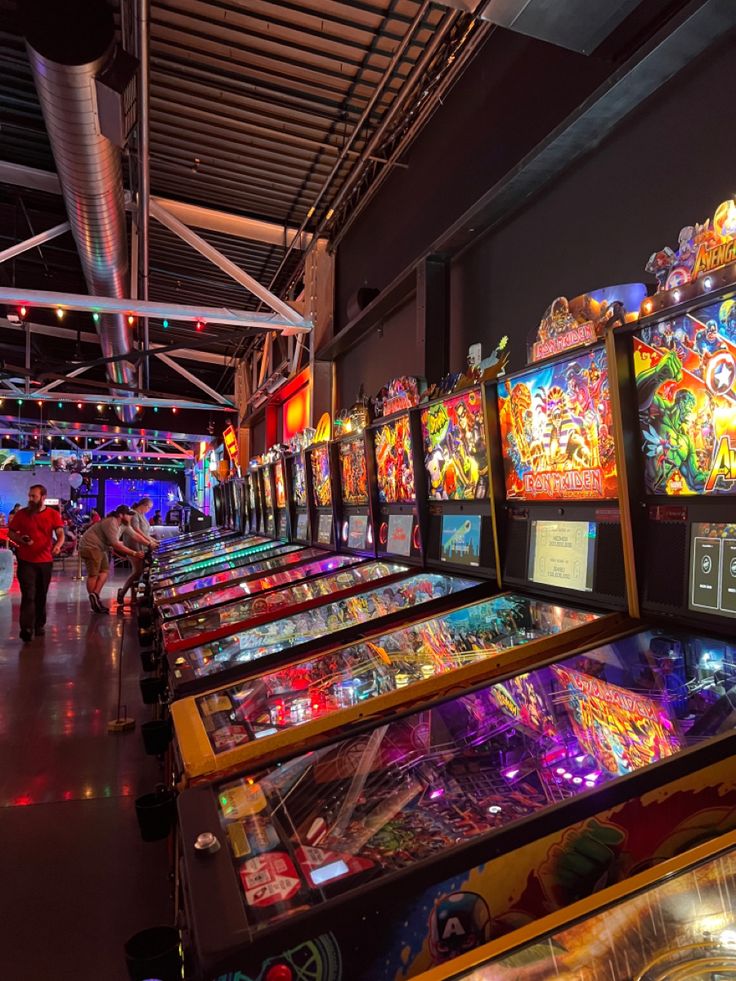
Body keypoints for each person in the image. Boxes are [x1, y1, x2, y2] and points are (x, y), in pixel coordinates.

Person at [8, 484, 65, 642]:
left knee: (41, 595)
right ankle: (26, 628)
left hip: (45, 561)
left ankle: (39, 624)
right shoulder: (21, 514)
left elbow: (60, 534)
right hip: (26, 561)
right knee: (28, 594)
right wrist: (21, 540)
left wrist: (58, 545)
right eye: (30, 496)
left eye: (34, 496)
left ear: (43, 497)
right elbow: (11, 532)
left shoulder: (53, 515)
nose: (30, 499)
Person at [78, 506, 139, 613]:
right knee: (94, 574)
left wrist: (150, 543)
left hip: (100, 548)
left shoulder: (122, 524)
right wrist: (134, 553)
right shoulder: (111, 522)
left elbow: (135, 536)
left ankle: (95, 596)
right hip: (90, 546)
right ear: (121, 515)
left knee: (105, 571)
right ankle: (94, 601)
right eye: (129, 515)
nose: (130, 517)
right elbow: (115, 544)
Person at [117, 497, 158, 606]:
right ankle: (122, 592)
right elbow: (136, 531)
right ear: (144, 505)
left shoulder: (142, 515)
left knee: (138, 572)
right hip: (133, 547)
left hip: (142, 547)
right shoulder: (134, 514)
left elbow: (145, 533)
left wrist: (153, 541)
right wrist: (150, 542)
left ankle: (133, 597)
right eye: (149, 507)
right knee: (137, 571)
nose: (149, 510)